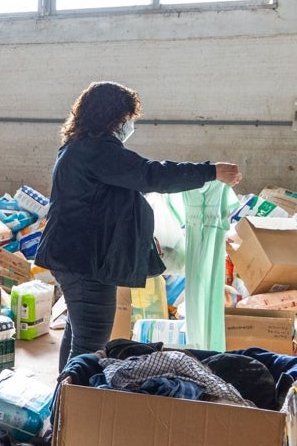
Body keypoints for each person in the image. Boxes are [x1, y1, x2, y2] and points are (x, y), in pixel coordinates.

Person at [35, 81, 242, 370]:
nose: (127, 125)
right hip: (85, 260)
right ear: (110, 117)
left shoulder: (77, 146)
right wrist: (210, 172)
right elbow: (149, 175)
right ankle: (72, 407)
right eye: (125, 119)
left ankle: (64, 402)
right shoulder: (98, 150)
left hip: (73, 254)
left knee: (78, 335)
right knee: (90, 343)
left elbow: (110, 201)